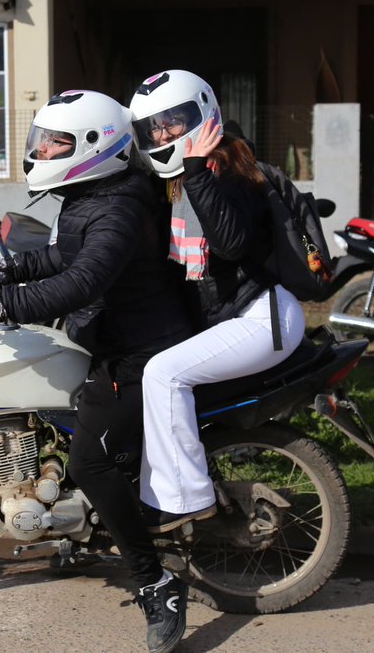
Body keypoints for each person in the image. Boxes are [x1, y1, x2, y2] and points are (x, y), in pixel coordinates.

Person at [0, 90, 195, 653]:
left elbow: (83, 281)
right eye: (42, 141)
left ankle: (156, 583)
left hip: (140, 349)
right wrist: (2, 272)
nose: (41, 151)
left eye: (54, 143)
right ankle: (75, 525)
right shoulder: (93, 195)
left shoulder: (119, 207)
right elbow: (64, 255)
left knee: (90, 461)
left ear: (94, 145)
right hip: (115, 339)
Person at [129, 69, 307, 533]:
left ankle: (186, 499)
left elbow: (229, 244)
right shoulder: (179, 180)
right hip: (237, 316)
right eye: (154, 127)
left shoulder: (229, 171)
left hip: (262, 317)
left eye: (173, 121)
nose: (163, 134)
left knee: (164, 375)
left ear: (203, 114)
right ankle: (152, 496)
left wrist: (195, 170)